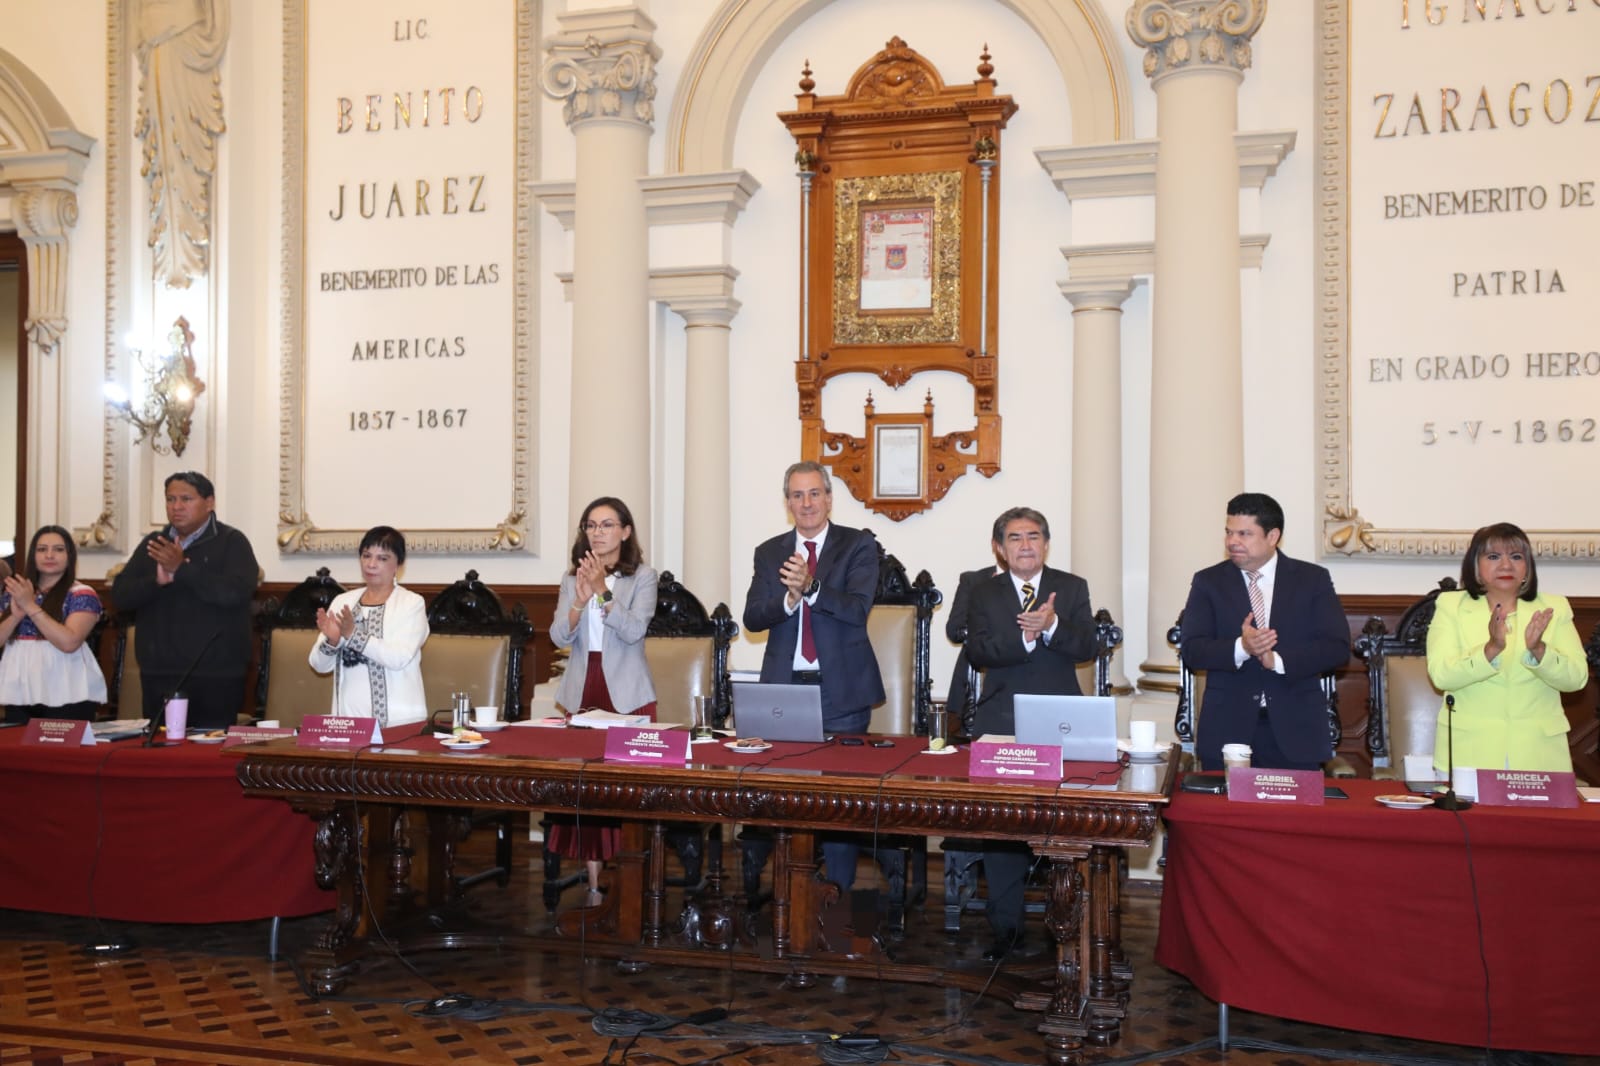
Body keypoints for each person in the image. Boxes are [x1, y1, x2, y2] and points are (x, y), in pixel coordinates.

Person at [743, 461, 884, 893]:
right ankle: (787, 892)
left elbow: (857, 609)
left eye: (814, 493)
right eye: (797, 495)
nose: (806, 503)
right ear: (787, 503)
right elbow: (752, 617)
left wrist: (811, 587)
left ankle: (837, 895)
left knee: (839, 801)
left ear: (829, 498)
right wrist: (788, 600)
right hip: (784, 691)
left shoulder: (857, 545)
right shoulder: (770, 552)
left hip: (840, 691)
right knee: (780, 795)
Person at [964, 507, 1097, 960]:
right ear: (1000, 548)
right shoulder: (982, 591)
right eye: (1015, 538)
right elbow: (978, 651)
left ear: (1046, 543)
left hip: (1062, 720)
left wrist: (1052, 626)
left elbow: (1088, 646)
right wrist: (1026, 637)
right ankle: (1007, 931)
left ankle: (1070, 928)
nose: (1026, 545)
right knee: (1002, 829)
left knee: (1066, 826)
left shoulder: (1072, 587)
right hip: (1001, 720)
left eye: (1034, 536)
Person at [1180, 492, 1349, 773]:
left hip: (1296, 731)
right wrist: (1242, 647)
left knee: (1292, 805)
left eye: (1244, 534)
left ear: (1272, 536)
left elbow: (1337, 647)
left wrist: (1278, 660)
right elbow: (1192, 650)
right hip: (1227, 731)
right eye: (1229, 532)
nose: (1232, 541)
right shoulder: (1208, 582)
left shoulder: (1312, 580)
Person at [548, 497, 659, 904]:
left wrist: (602, 591)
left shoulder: (643, 577)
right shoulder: (570, 578)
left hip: (626, 693)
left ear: (625, 532)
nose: (598, 532)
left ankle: (634, 880)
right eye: (591, 525)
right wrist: (579, 600)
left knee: (627, 792)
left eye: (607, 525)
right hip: (583, 686)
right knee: (587, 791)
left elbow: (633, 631)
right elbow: (558, 636)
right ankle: (594, 887)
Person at [1426, 522, 1586, 773]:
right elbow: (1441, 676)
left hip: (1539, 754)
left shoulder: (1554, 607)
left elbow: (1577, 679)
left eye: (1516, 556)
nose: (1506, 565)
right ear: (1476, 566)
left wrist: (1539, 650)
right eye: (1493, 556)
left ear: (1527, 567)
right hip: (1469, 753)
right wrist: (1491, 649)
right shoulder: (1451, 606)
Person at [111, 472, 259, 731]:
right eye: (170, 499)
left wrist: (182, 569)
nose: (176, 507)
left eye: (186, 499)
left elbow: (235, 593)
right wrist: (156, 583)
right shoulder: (154, 544)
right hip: (159, 671)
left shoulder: (231, 542)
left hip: (217, 673)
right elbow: (120, 596)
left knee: (208, 748)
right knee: (161, 745)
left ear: (209, 502)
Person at [308, 526, 429, 727]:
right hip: (347, 723)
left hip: (398, 723)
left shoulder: (411, 603)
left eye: (382, 558)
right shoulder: (343, 601)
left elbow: (398, 658)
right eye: (366, 556)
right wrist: (332, 640)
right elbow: (318, 665)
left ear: (398, 564)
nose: (371, 564)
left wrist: (353, 635)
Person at [0, 526, 109, 723]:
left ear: (70, 556)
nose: (49, 555)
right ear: (33, 555)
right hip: (19, 688)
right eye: (42, 549)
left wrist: (30, 606)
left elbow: (69, 643)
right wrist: (16, 616)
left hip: (67, 689)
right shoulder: (17, 592)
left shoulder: (81, 593)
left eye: (58, 549)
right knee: (17, 741)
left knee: (62, 743)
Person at [944, 552, 1007, 737]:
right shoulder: (974, 581)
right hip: (975, 688)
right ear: (997, 546)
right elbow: (955, 631)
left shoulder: (1043, 584)